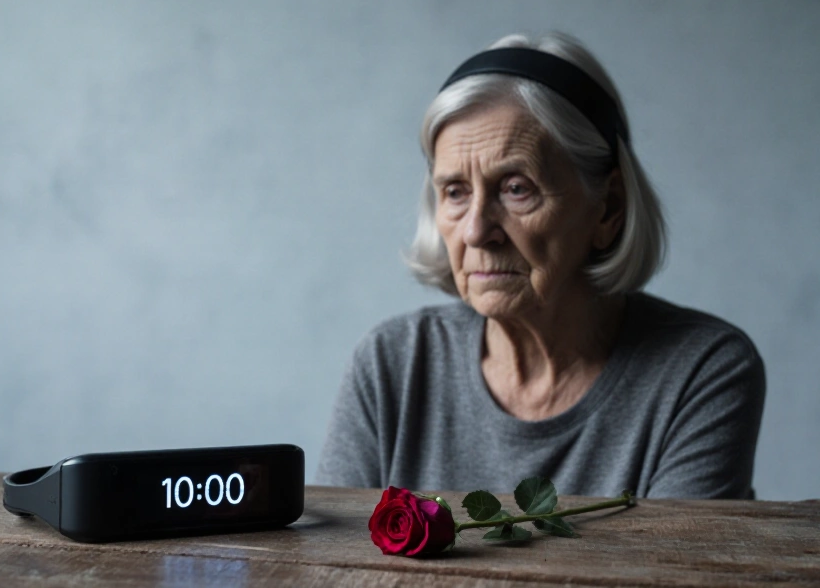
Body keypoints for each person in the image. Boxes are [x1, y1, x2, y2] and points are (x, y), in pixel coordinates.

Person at [317, 32, 765, 499]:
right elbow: (328, 566)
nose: (475, 231)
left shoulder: (702, 372)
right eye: (455, 192)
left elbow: (673, 572)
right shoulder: (392, 364)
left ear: (608, 208)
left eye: (516, 188)